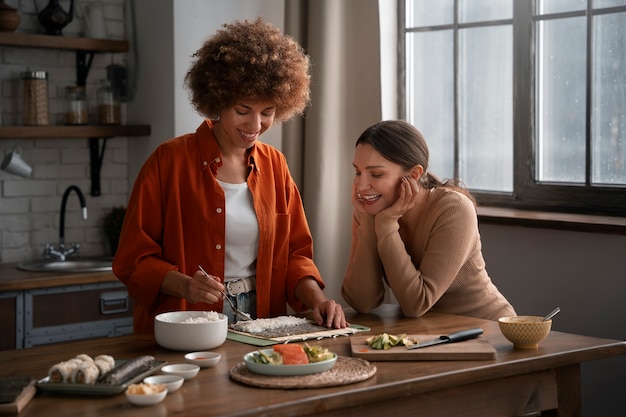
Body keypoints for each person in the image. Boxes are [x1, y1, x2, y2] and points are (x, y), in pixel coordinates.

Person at [113, 18, 348, 334]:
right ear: (218, 100)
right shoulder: (168, 161)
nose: (255, 124)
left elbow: (294, 256)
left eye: (267, 112)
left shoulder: (276, 166)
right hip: (186, 322)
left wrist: (317, 300)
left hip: (263, 320)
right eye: (243, 109)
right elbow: (133, 259)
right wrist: (184, 286)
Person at [341, 120, 516, 320]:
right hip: (429, 333)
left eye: (376, 174)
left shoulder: (454, 209)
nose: (361, 186)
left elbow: (417, 303)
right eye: (358, 172)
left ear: (414, 175)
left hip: (487, 331)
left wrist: (387, 226)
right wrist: (368, 220)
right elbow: (362, 302)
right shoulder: (371, 211)